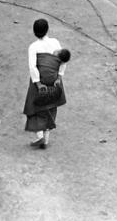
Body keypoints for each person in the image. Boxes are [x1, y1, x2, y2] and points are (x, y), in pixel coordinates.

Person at [23, 19, 67, 148]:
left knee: (35, 107)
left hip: (40, 80)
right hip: (54, 79)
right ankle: (46, 140)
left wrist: (37, 83)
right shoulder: (55, 42)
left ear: (34, 32)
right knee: (50, 107)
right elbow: (63, 61)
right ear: (47, 30)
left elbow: (32, 67)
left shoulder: (33, 47)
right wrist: (59, 76)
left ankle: (40, 136)